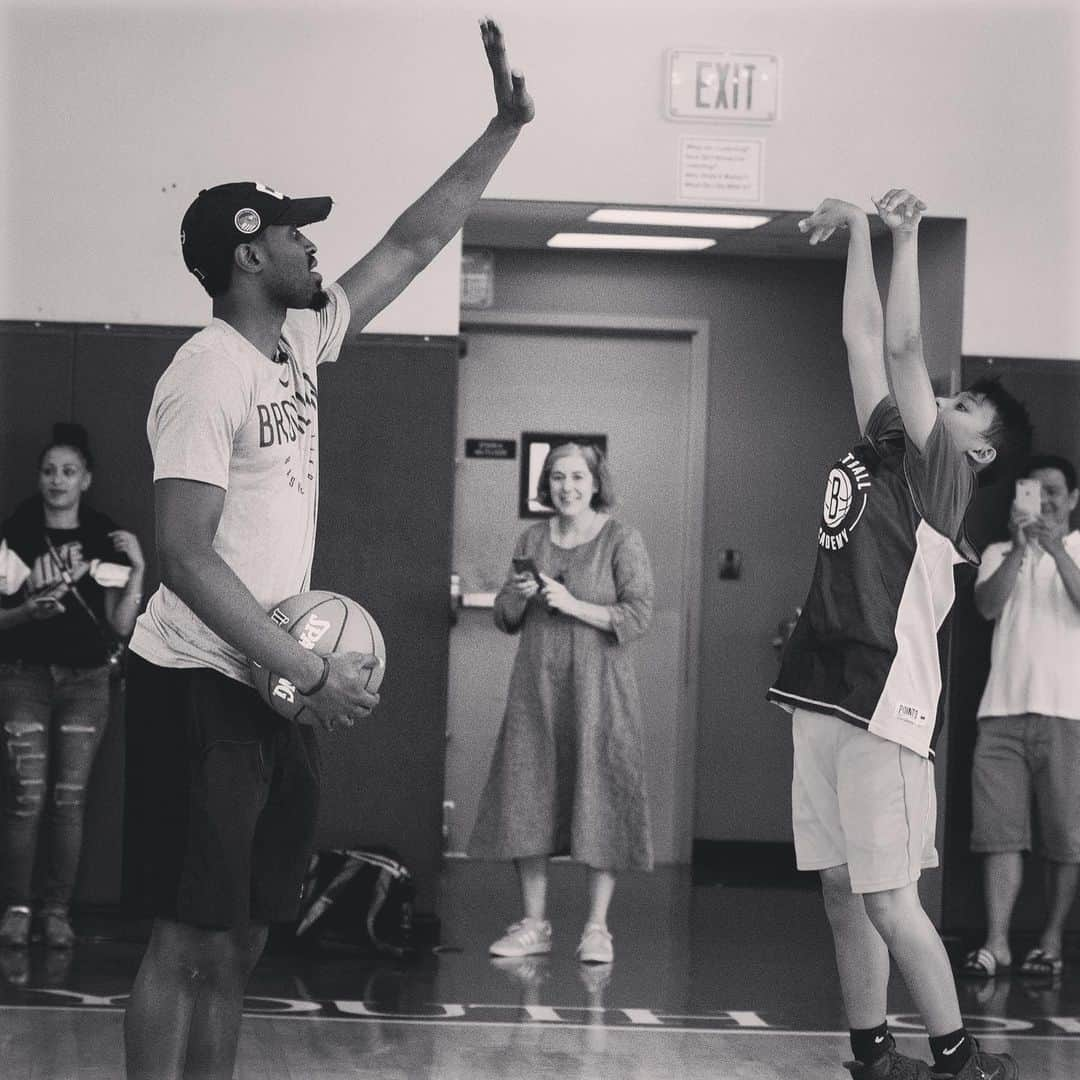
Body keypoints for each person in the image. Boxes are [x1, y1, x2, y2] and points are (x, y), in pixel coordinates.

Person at [121, 20, 533, 1080]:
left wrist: (503, 128)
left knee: (250, 936)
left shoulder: (298, 340)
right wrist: (303, 666)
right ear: (251, 252)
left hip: (274, 687)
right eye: (298, 236)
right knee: (185, 937)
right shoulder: (205, 374)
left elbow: (410, 243)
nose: (316, 249)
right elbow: (182, 553)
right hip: (203, 688)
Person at [767, 190, 1031, 1080]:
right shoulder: (884, 440)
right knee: (842, 891)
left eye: (962, 404)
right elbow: (862, 341)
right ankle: (873, 1053)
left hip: (886, 699)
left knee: (887, 897)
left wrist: (906, 235)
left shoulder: (946, 473)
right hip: (820, 689)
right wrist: (854, 238)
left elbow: (906, 346)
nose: (940, 400)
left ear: (981, 451)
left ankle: (958, 1061)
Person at [469, 442, 654, 966]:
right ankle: (534, 925)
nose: (566, 487)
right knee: (529, 791)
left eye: (576, 477)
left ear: (596, 482)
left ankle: (597, 929)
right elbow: (506, 617)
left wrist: (573, 604)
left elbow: (638, 616)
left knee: (603, 793)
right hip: (537, 691)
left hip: (600, 693)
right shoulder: (532, 537)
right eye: (556, 477)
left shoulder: (622, 538)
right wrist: (522, 593)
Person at [0, 422, 144, 950]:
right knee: (25, 797)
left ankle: (57, 911)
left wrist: (139, 573)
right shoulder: (15, 532)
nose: (57, 480)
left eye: (68, 471)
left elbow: (122, 626)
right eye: (49, 471)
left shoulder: (104, 539)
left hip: (87, 682)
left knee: (68, 800)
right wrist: (24, 612)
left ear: (87, 479)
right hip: (23, 677)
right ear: (38, 478)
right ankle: (17, 908)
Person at [962, 454, 1080, 980]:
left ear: (1074, 499)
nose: (1045, 501)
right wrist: (1021, 551)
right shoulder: (997, 551)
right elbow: (985, 609)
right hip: (1000, 712)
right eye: (1033, 492)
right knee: (999, 833)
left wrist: (1054, 549)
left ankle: (1051, 941)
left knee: (1065, 834)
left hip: (1067, 712)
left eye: (1054, 492)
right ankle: (998, 942)